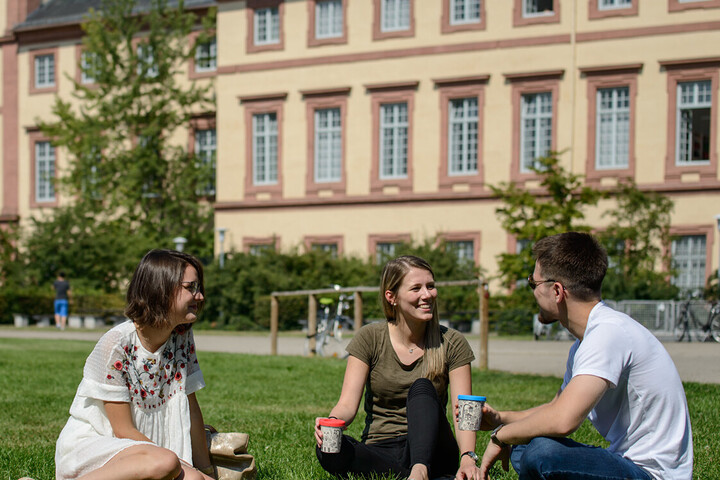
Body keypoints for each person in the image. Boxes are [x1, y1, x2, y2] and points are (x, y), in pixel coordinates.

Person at [479, 232, 693, 480]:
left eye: (533, 284)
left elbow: (563, 421)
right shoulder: (588, 339)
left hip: (652, 474)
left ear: (557, 291)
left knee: (540, 451)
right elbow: (554, 408)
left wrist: (500, 436)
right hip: (626, 462)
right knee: (525, 445)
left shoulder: (608, 333)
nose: (533, 293)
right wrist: (500, 420)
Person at [315, 255, 482, 480]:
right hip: (380, 449)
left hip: (433, 450)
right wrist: (331, 424)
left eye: (431, 286)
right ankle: (410, 476)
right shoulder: (370, 337)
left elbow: (465, 411)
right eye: (416, 288)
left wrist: (468, 459)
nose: (427, 295)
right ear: (391, 297)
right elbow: (346, 404)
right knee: (329, 447)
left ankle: (420, 470)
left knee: (422, 388)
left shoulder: (452, 342)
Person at [55, 249, 215, 480]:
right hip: (102, 449)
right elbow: (122, 430)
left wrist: (207, 471)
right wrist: (186, 468)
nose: (199, 296)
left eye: (198, 288)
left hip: (153, 456)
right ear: (161, 289)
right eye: (190, 287)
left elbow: (191, 406)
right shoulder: (117, 344)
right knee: (166, 462)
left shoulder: (181, 337)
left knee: (193, 478)